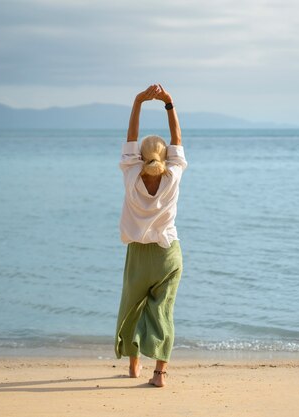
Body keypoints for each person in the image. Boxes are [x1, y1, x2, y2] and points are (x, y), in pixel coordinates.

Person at [114, 84, 188, 388]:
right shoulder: (173, 174)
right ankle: (160, 374)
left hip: (138, 252)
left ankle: (134, 365)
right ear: (165, 157)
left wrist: (138, 101)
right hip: (167, 253)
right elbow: (178, 140)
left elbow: (132, 138)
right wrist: (169, 103)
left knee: (132, 306)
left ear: (141, 157)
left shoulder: (131, 173)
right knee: (162, 311)